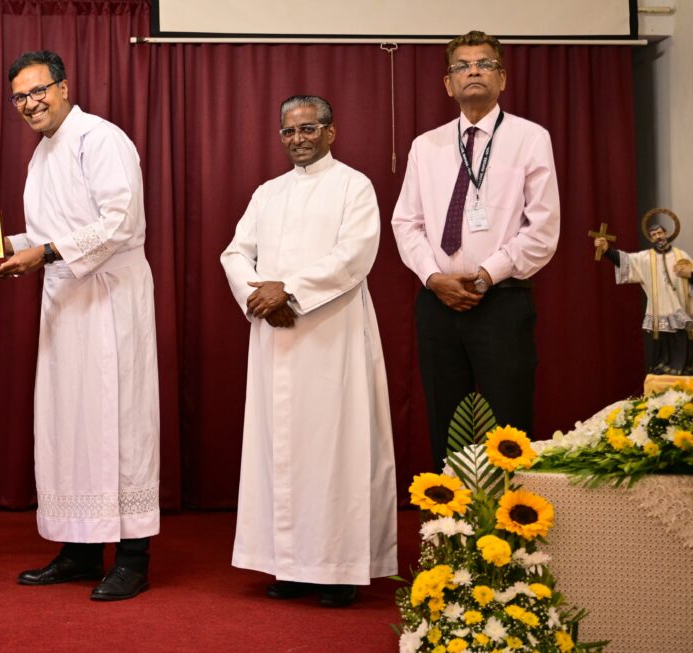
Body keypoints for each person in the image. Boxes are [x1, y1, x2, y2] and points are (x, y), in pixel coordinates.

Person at [220, 95, 398, 608]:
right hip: (274, 334)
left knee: (335, 450)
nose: (298, 138)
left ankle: (339, 567)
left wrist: (290, 290)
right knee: (281, 451)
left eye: (308, 128)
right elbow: (234, 251)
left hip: (331, 332)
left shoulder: (353, 185)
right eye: (288, 131)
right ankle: (290, 564)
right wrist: (260, 294)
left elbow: (356, 254)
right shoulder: (267, 193)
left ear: (330, 132)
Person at [0, 50, 160, 601]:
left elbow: (120, 220)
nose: (30, 103)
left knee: (120, 421)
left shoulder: (100, 137)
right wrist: (0, 251)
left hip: (110, 296)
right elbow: (47, 232)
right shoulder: (41, 155)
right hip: (65, 301)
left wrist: (40, 253)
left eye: (38, 90)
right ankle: (81, 547)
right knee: (69, 423)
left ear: (64, 87)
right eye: (19, 96)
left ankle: (133, 556)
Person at [391, 30, 560, 470]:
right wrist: (434, 278)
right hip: (437, 304)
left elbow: (542, 229)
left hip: (502, 302)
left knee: (511, 422)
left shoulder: (530, 137)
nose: (473, 72)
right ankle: (452, 529)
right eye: (461, 66)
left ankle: (512, 530)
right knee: (445, 424)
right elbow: (405, 223)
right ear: (448, 84)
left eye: (484, 64)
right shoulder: (424, 146)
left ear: (502, 78)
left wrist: (485, 274)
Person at [595, 214, 693, 374]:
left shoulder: (681, 255)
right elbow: (625, 260)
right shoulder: (646, 258)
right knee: (662, 338)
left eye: (660, 233)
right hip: (660, 307)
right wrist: (607, 250)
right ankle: (664, 365)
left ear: (666, 233)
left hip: (680, 304)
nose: (658, 237)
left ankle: (684, 367)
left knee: (681, 335)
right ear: (650, 238)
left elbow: (692, 273)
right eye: (654, 235)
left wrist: (690, 274)